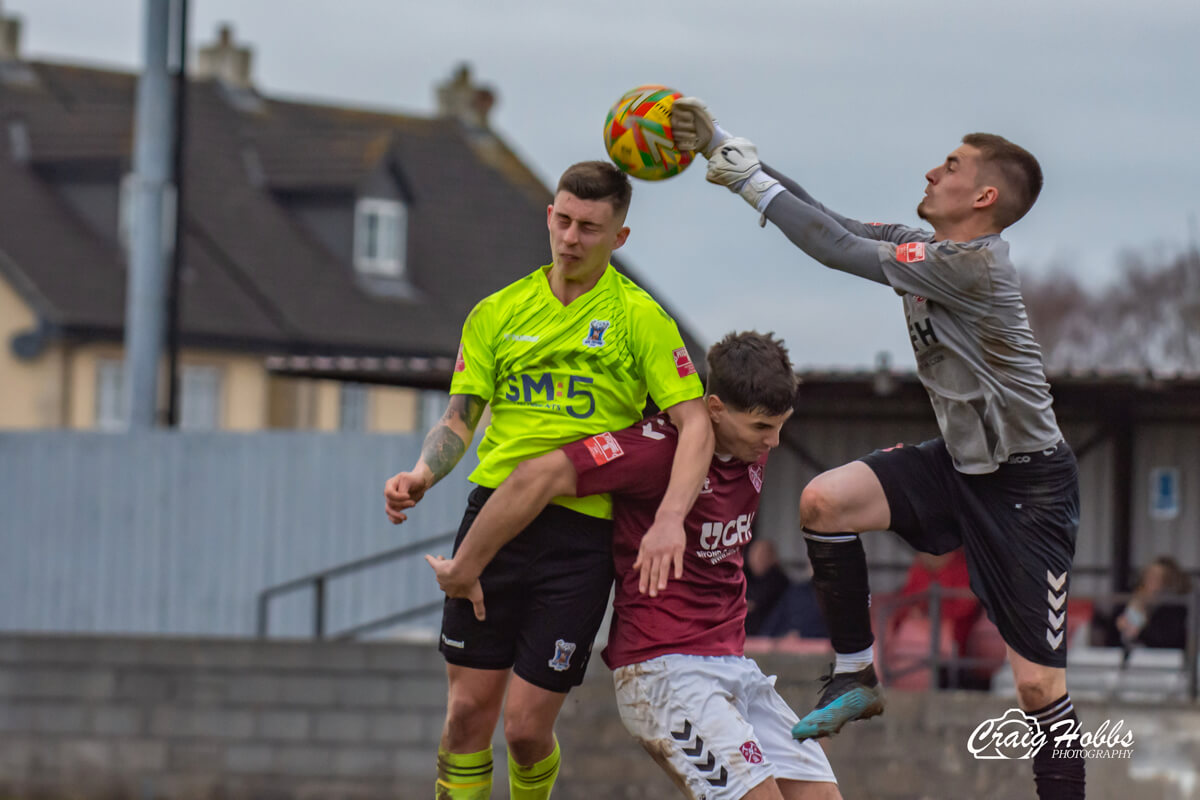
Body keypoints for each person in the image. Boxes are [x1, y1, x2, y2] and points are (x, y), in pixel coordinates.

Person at [670, 100, 1085, 799]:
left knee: (1040, 688)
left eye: (949, 166)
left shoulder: (972, 265)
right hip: (959, 466)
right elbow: (829, 222)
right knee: (824, 501)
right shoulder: (921, 248)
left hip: (1026, 490)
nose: (930, 171)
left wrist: (745, 183)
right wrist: (725, 146)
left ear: (982, 196)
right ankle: (857, 674)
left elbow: (833, 250)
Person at [383, 160, 713, 800]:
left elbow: (694, 425)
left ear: (618, 237)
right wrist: (423, 473)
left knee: (526, 731)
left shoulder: (640, 318)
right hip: (494, 522)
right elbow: (460, 417)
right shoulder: (496, 312)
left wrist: (671, 516)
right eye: (562, 220)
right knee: (465, 716)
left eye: (589, 227)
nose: (570, 237)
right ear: (548, 215)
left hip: (580, 536)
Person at [428, 332, 840, 800]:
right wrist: (466, 565)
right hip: (665, 668)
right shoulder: (654, 450)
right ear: (716, 410)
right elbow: (536, 476)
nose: (774, 442)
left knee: (822, 796)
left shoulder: (749, 447)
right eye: (762, 428)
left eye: (781, 426)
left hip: (732, 663)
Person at [1094, 556, 1191, 651]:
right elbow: (1112, 632)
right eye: (1149, 575)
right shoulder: (1130, 597)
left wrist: (1140, 632)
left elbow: (1170, 640)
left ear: (1168, 581)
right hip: (1127, 656)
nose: (1151, 580)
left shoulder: (1174, 606)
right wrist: (1117, 624)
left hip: (1161, 659)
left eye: (1158, 577)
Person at [744, 538, 827, 639]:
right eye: (753, 555)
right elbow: (772, 625)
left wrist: (801, 636)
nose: (756, 559)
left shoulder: (778, 581)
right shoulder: (796, 591)